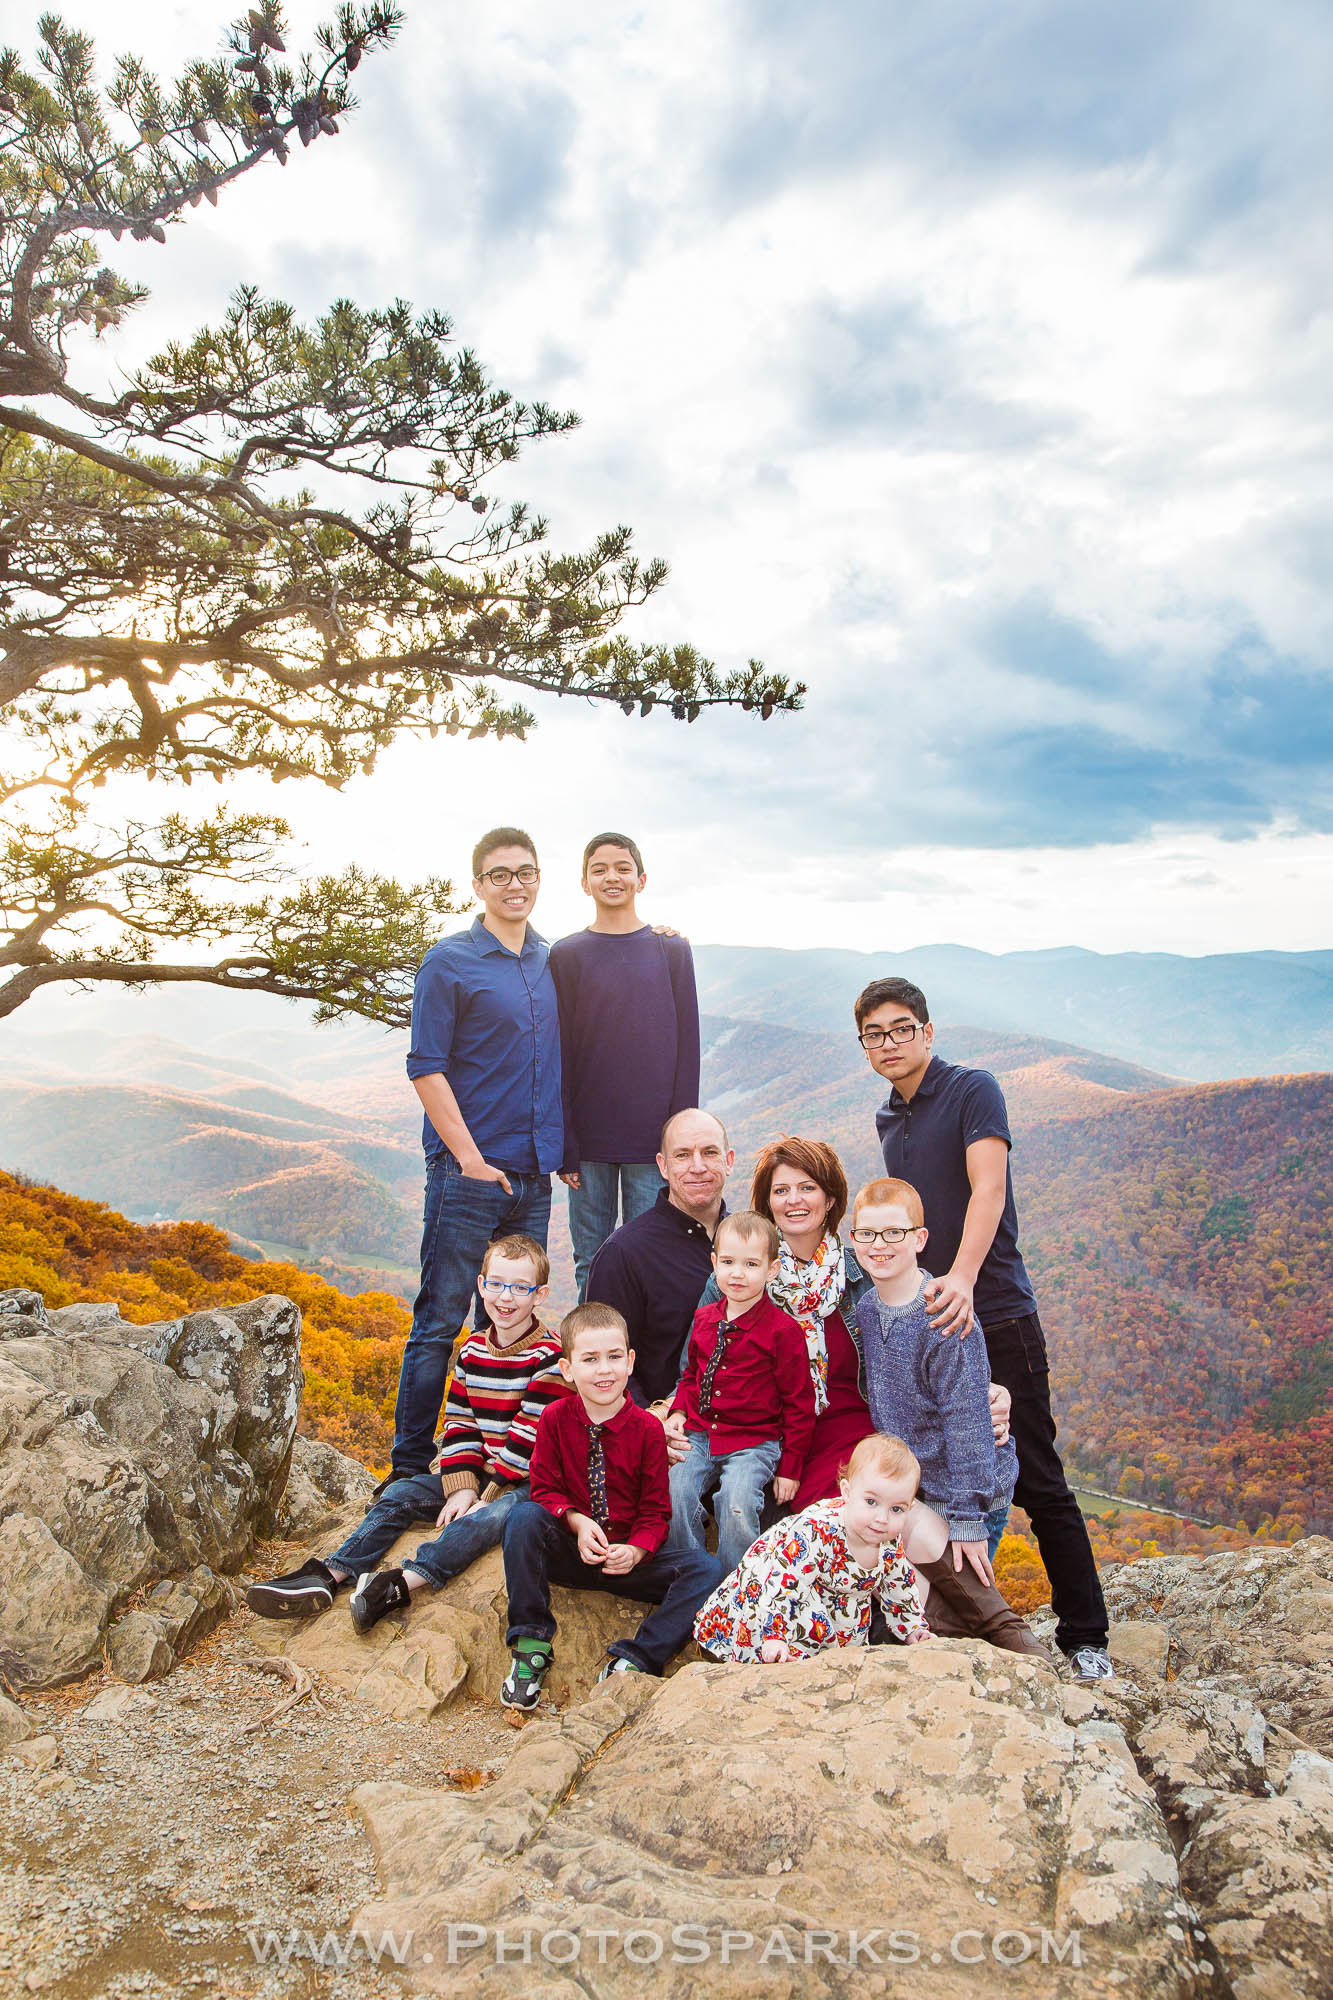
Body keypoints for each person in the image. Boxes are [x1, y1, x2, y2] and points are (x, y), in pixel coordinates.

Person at [856, 975, 1113, 1682]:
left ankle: (1085, 1634)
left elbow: (988, 1188)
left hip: (993, 1307)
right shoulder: (889, 1118)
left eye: (901, 1027)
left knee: (1036, 1475)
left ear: (927, 1032)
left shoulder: (973, 1089)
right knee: (935, 1470)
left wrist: (962, 1279)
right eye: (874, 1033)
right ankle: (959, 1612)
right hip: (931, 1324)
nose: (889, 1042)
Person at [697, 1136, 1011, 1542]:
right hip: (768, 1431)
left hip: (853, 1431)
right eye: (781, 1190)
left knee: (848, 1523)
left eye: (807, 1187)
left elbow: (921, 1342)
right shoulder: (734, 1278)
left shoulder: (862, 1272)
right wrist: (668, 1410)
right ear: (767, 1202)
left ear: (830, 1200)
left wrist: (988, 1390)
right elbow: (700, 1365)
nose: (794, 1200)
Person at [246, 1235, 563, 1622]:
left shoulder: (549, 1356)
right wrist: (462, 1487)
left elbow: (532, 1436)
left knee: (492, 1518)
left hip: (530, 1481)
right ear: (481, 1286)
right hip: (483, 1473)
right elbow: (460, 1422)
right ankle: (331, 1573)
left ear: (540, 1295)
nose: (505, 1297)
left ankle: (399, 1583)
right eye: (495, 1284)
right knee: (401, 1492)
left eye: (520, 1288)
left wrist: (488, 1493)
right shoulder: (473, 1350)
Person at [389, 827, 564, 1481]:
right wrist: (468, 1160)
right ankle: (408, 1468)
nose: (514, 884)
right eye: (500, 874)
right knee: (440, 1319)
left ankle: (496, 1459)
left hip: (532, 1174)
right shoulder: (449, 960)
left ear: (539, 878)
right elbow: (425, 1066)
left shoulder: (553, 962)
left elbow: (556, 1065)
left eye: (525, 871)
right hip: (467, 1173)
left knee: (509, 1321)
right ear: (477, 885)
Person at [851, 1175, 1050, 1661]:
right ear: (852, 1240)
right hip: (915, 1497)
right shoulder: (867, 1310)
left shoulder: (944, 1315)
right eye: (867, 1235)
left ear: (919, 1238)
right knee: (915, 1625)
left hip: (968, 1492)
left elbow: (967, 1424)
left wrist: (968, 1518)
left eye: (893, 1233)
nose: (880, 1246)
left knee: (976, 1611)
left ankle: (1040, 1673)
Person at [499, 1303, 723, 1709]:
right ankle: (531, 1645)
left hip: (629, 1564)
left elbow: (657, 1511)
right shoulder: (553, 1419)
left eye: (614, 1357)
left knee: (706, 1569)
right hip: (570, 1553)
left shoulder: (646, 1431)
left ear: (630, 1361)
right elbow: (544, 1489)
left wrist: (637, 1549)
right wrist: (576, 1521)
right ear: (567, 1369)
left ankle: (635, 1660)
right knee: (523, 1517)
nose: (604, 1370)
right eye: (590, 1360)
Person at [551, 832, 701, 1297]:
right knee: (590, 1261)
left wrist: (679, 1139)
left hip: (652, 1141)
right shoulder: (566, 954)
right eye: (599, 869)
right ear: (583, 882)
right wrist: (567, 1141)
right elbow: (562, 1053)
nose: (611, 877)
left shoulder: (671, 950)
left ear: (641, 879)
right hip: (589, 1141)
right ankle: (592, 1362)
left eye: (622, 867)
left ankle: (646, 1366)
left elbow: (687, 1048)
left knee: (650, 1259)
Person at [664, 1211, 816, 1573]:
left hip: (755, 1441)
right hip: (700, 1434)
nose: (737, 1273)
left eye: (751, 1264)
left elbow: (799, 1405)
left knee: (736, 1501)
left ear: (772, 1269)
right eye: (728, 1262)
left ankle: (737, 1584)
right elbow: (690, 1376)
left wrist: (791, 1468)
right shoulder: (705, 1319)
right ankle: (691, 1574)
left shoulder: (783, 1332)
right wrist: (678, 1413)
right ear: (714, 1263)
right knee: (675, 1491)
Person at [694, 1432, 930, 1662]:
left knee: (837, 1658)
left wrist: (912, 1627)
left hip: (834, 1614)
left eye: (896, 1509)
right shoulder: (819, 1531)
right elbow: (784, 1582)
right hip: (783, 1600)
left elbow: (898, 1584)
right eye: (871, 1502)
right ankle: (769, 1649)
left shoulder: (888, 1539)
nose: (882, 1518)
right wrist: (775, 1635)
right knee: (789, 1650)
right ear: (847, 1492)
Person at [584, 1108, 733, 1408]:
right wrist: (651, 1426)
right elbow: (598, 1362)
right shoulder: (624, 1254)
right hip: (664, 1433)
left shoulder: (749, 1246)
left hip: (747, 1428)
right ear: (663, 1166)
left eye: (709, 1152)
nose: (698, 1166)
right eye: (682, 1155)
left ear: (728, 1161)